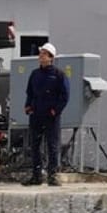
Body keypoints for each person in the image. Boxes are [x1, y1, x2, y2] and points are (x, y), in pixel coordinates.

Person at [23, 42, 70, 186]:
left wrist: (56, 110)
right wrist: (28, 106)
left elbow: (65, 95)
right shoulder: (35, 74)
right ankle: (37, 176)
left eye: (44, 54)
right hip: (36, 114)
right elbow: (30, 92)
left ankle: (52, 175)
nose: (41, 56)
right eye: (40, 53)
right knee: (35, 145)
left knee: (52, 145)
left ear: (51, 57)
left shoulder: (59, 75)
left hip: (51, 116)